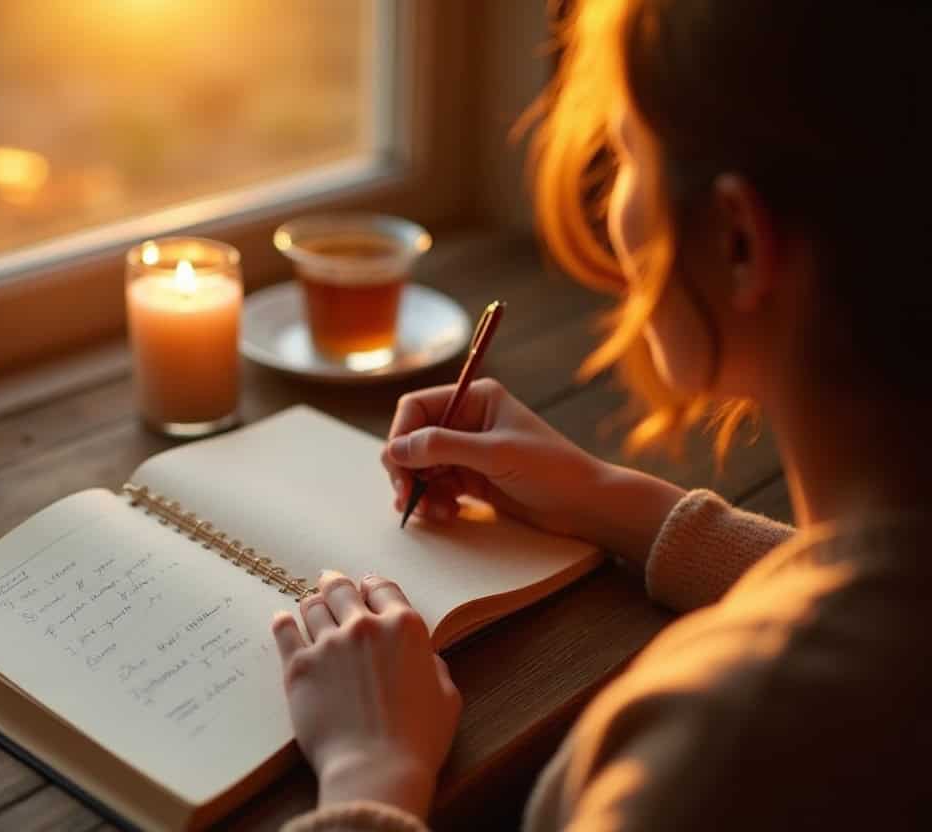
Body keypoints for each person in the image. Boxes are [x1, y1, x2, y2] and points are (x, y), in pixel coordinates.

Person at [269, 1, 932, 829]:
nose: (613, 208)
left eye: (624, 153)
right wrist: (607, 498)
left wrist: (372, 778)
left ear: (737, 241)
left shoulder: (719, 749)